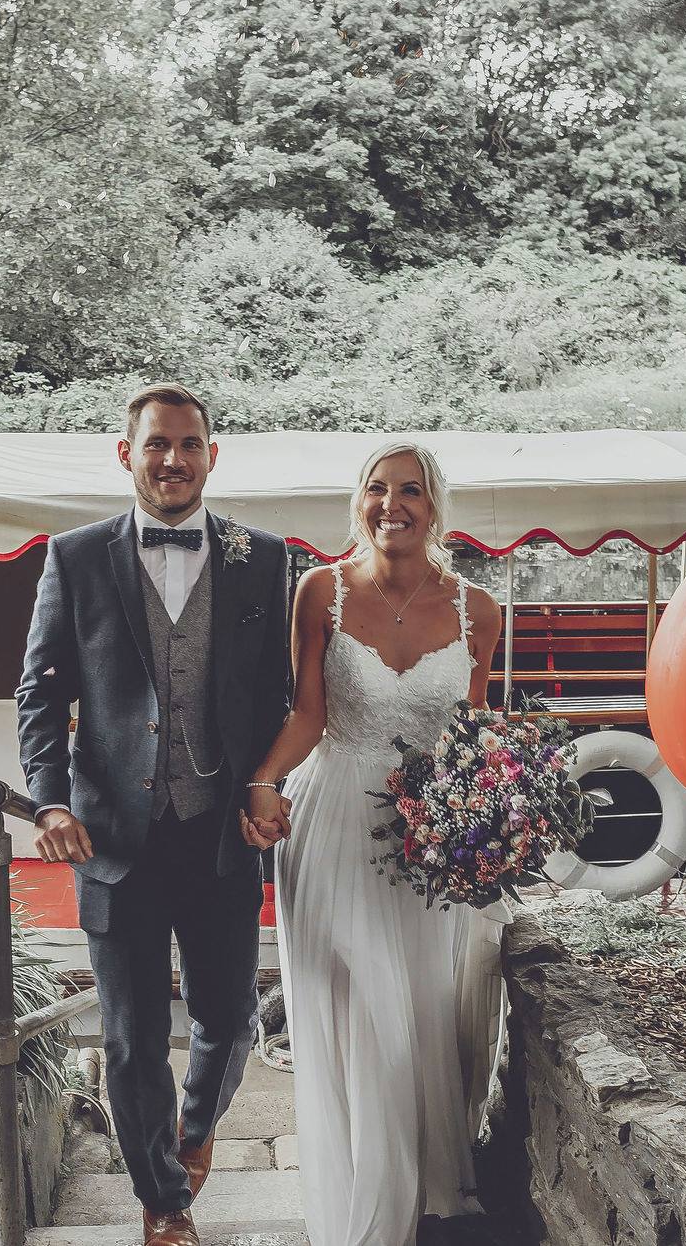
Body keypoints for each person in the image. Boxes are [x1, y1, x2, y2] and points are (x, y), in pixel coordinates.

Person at [15, 384, 291, 1246]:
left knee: (231, 1017)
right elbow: (40, 691)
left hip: (217, 833)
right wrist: (51, 798)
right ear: (124, 453)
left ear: (213, 454)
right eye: (156, 444)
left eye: (189, 444)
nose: (173, 459)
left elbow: (277, 693)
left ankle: (196, 1129)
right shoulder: (75, 555)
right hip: (115, 839)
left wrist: (263, 784)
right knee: (134, 1041)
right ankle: (165, 1203)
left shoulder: (264, 558)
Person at [240, 442, 506, 1246]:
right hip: (330, 823)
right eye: (378, 489)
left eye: (411, 491)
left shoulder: (478, 610)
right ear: (359, 501)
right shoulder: (317, 590)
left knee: (415, 1007)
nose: (393, 504)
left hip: (425, 838)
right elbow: (308, 714)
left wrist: (496, 815)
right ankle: (367, 1204)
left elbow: (475, 736)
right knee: (355, 1006)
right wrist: (263, 781)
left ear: (435, 506)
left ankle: (414, 1186)